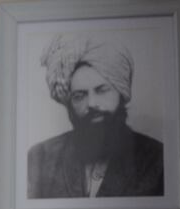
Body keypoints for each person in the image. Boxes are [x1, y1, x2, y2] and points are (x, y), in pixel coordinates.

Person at [28, 34, 164, 199]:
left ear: (120, 93)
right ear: (70, 103)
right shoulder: (41, 157)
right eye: (79, 95)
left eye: (102, 90)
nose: (92, 103)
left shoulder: (155, 158)